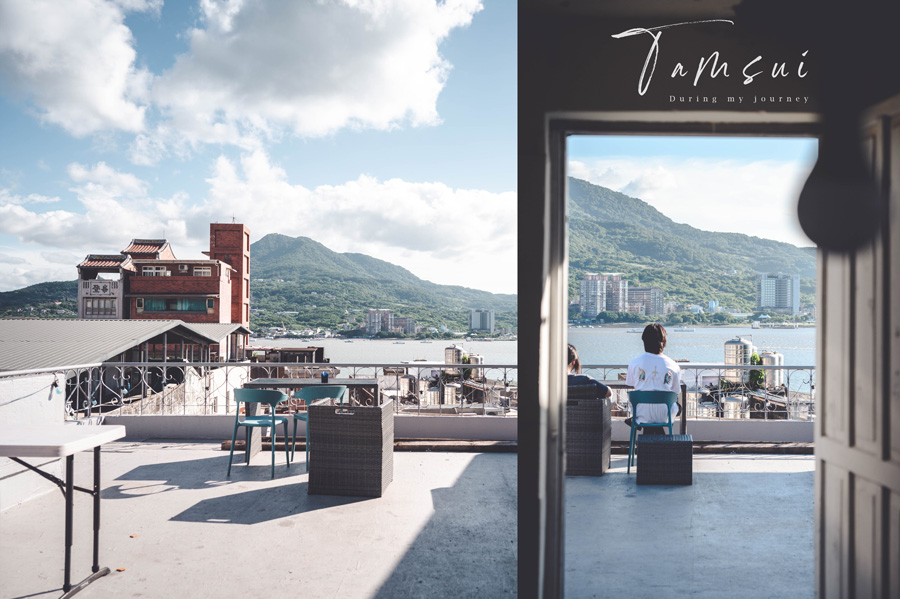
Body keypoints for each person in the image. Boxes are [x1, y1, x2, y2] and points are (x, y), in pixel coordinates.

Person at [625, 323, 681, 434]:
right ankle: (661, 443)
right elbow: (675, 392)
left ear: (644, 341)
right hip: (664, 415)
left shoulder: (634, 362)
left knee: (644, 407)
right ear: (664, 342)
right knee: (677, 406)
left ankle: (647, 440)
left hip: (641, 413)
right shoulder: (673, 365)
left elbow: (635, 385)